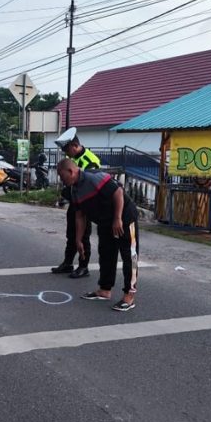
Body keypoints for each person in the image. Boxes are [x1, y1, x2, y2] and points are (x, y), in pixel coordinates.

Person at [57, 158, 140, 312]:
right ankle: (105, 290)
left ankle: (129, 295)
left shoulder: (93, 178)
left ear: (71, 171)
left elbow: (118, 193)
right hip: (104, 222)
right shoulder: (74, 190)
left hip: (124, 217)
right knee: (106, 253)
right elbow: (80, 216)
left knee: (130, 256)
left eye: (62, 176)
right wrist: (78, 240)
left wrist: (117, 219)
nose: (61, 180)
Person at [51, 127, 101, 278]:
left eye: (67, 150)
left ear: (74, 145)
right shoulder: (73, 159)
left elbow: (88, 185)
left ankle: (83, 266)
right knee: (71, 233)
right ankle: (68, 263)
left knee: (83, 235)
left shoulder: (90, 161)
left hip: (86, 202)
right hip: (74, 201)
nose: (66, 153)